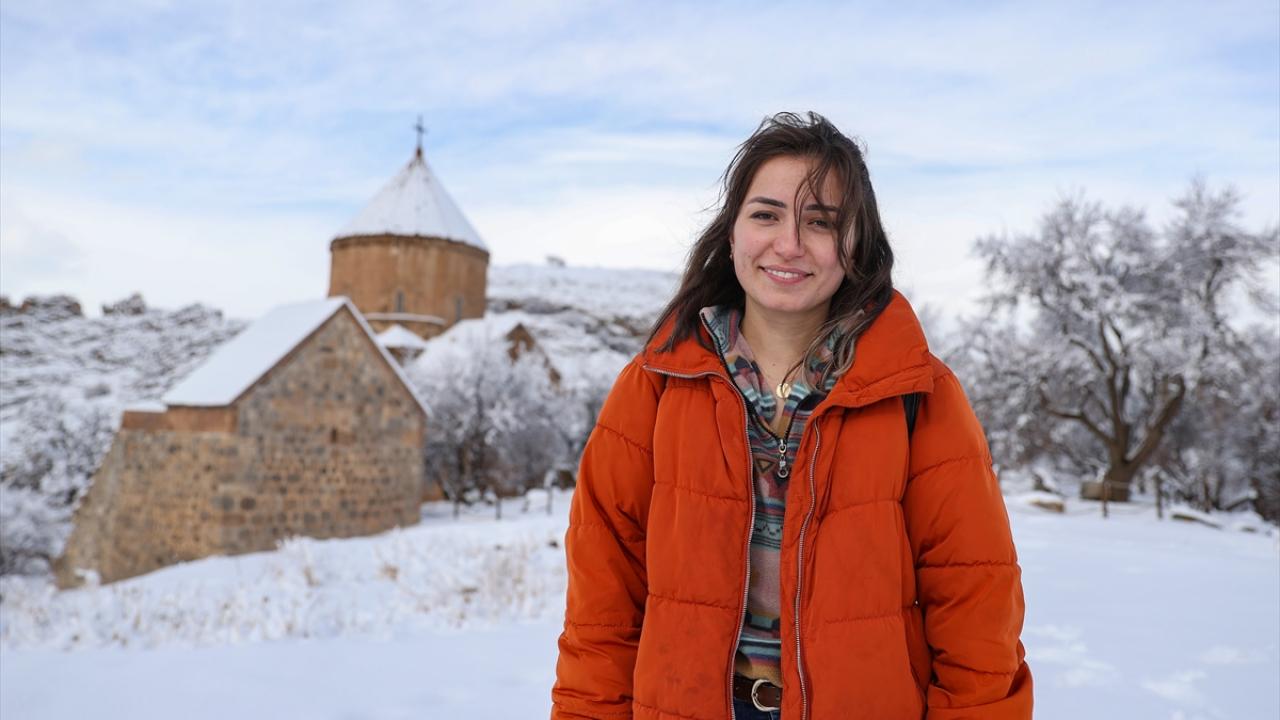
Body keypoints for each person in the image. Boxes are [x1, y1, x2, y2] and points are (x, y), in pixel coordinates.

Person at [550, 111, 1033, 720]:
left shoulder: (919, 395)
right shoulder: (654, 387)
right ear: (731, 234)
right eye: (766, 215)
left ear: (857, 245)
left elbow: (976, 610)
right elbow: (601, 610)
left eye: (821, 221)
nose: (789, 244)